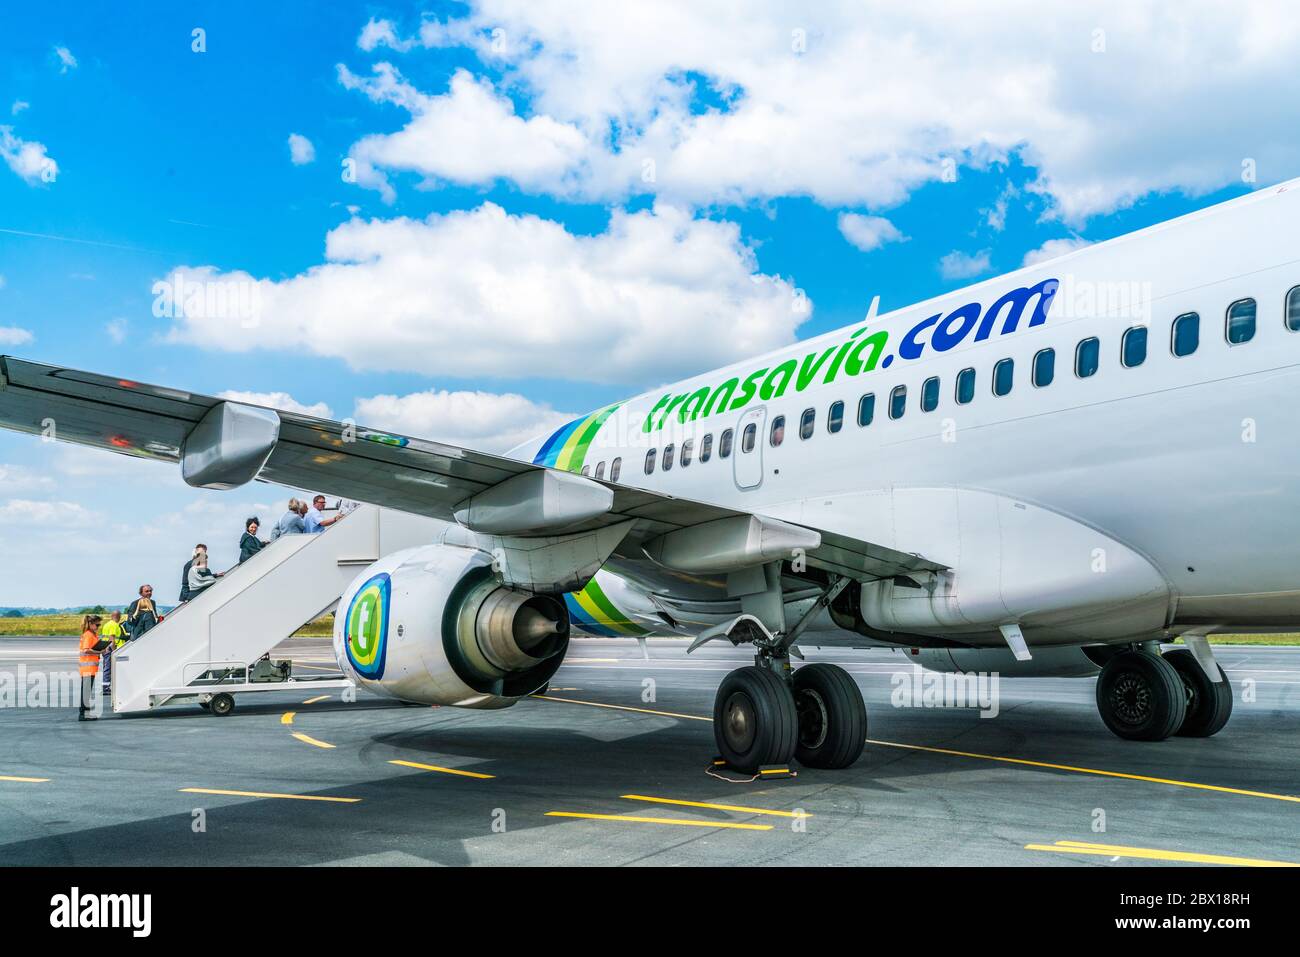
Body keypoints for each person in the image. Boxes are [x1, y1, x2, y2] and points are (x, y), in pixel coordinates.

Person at [78, 614, 103, 721]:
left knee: (86, 692)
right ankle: (83, 714)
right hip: (87, 668)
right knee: (86, 692)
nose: (98, 627)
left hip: (90, 668)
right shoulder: (88, 635)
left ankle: (85, 713)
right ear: (91, 624)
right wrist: (100, 651)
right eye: (97, 625)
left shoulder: (93, 634)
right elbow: (86, 650)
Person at [98, 611, 128, 695]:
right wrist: (115, 651)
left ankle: (106, 686)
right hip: (111, 649)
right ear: (118, 616)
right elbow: (112, 639)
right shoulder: (114, 625)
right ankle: (106, 688)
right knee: (109, 668)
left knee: (107, 667)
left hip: (105, 648)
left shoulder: (106, 624)